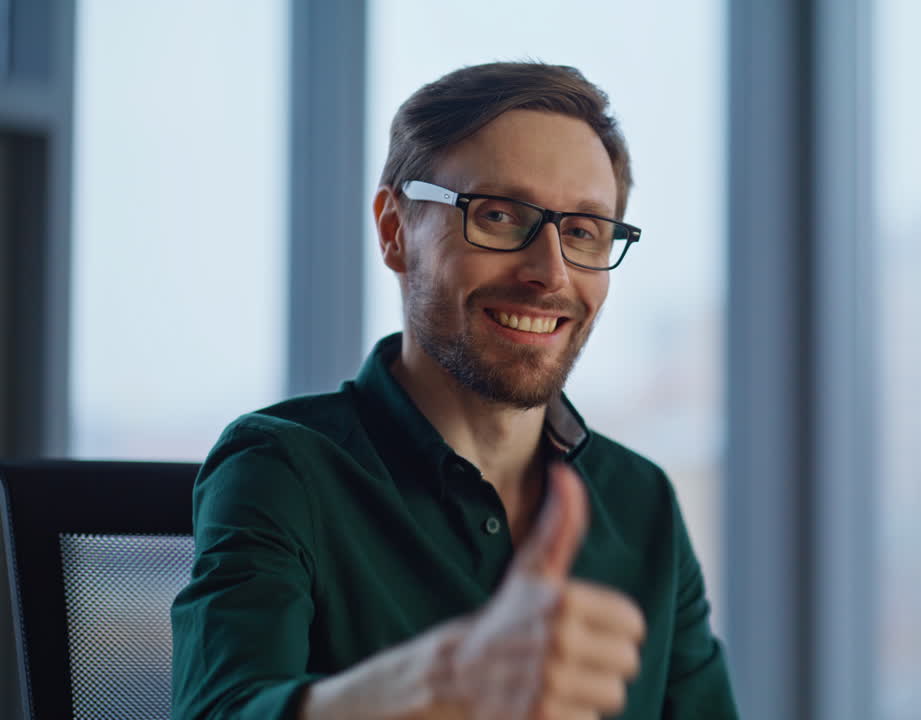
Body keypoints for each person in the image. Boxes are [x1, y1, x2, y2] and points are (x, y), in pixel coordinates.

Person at [170, 61, 738, 719]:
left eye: (582, 231)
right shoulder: (281, 468)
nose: (549, 272)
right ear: (394, 231)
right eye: (498, 215)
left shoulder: (640, 502)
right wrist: (433, 689)